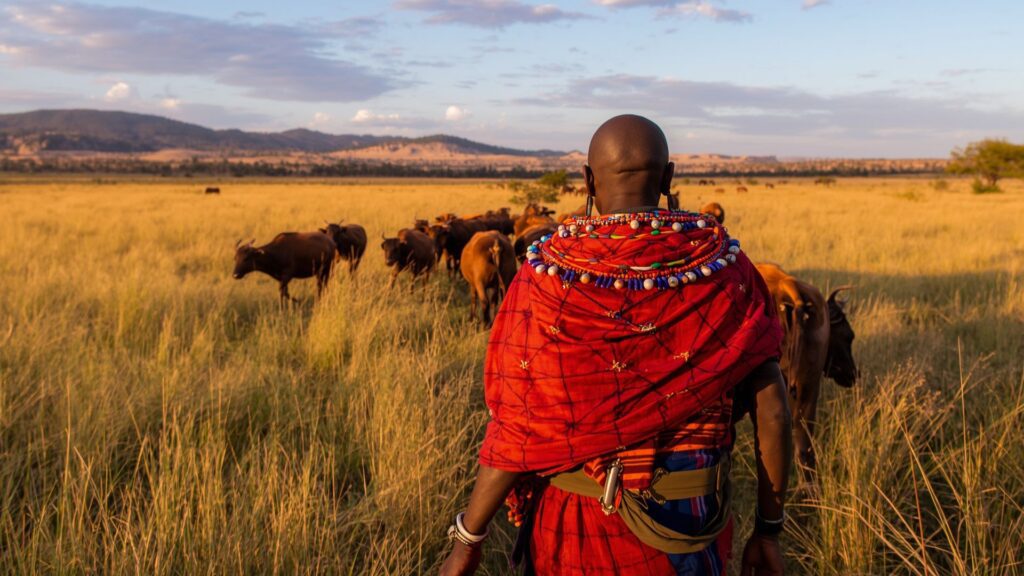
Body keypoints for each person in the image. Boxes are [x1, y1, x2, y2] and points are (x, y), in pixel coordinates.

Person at [440, 115, 792, 575]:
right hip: (685, 529)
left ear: (587, 181)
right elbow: (774, 407)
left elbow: (518, 423)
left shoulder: (546, 278)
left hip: (570, 530)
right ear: (668, 178)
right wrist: (767, 531)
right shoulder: (724, 268)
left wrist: (467, 542)